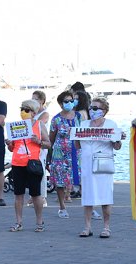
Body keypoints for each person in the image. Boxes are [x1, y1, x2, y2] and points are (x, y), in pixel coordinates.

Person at [75, 97, 123, 238]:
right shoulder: (84, 124)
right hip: (87, 163)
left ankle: (106, 227)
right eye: (91, 108)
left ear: (104, 111)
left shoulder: (111, 124)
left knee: (105, 196)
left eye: (95, 108)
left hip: (103, 164)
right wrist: (76, 137)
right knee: (88, 196)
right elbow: (77, 146)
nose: (92, 110)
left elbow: (117, 146)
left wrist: (118, 138)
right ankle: (87, 226)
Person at [5, 99, 49, 232]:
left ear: (34, 112)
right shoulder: (16, 126)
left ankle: (39, 221)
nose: (23, 112)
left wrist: (38, 141)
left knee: (36, 194)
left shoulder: (39, 125)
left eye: (27, 110)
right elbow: (13, 148)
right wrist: (10, 144)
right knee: (18, 194)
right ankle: (18, 222)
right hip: (18, 163)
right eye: (22, 109)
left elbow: (48, 143)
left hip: (33, 164)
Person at [48, 90, 80, 218]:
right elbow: (51, 138)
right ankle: (62, 206)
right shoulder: (56, 119)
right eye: (66, 101)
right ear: (61, 104)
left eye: (71, 101)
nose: (69, 103)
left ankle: (90, 206)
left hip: (77, 152)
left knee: (82, 179)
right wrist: (49, 156)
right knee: (60, 181)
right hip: (60, 154)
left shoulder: (78, 116)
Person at [29, 90, 50, 208]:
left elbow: (37, 124)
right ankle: (34, 195)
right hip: (32, 143)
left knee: (40, 169)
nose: (34, 101)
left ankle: (43, 196)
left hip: (41, 144)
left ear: (42, 101)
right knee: (31, 169)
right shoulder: (33, 113)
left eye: (36, 99)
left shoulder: (45, 113)